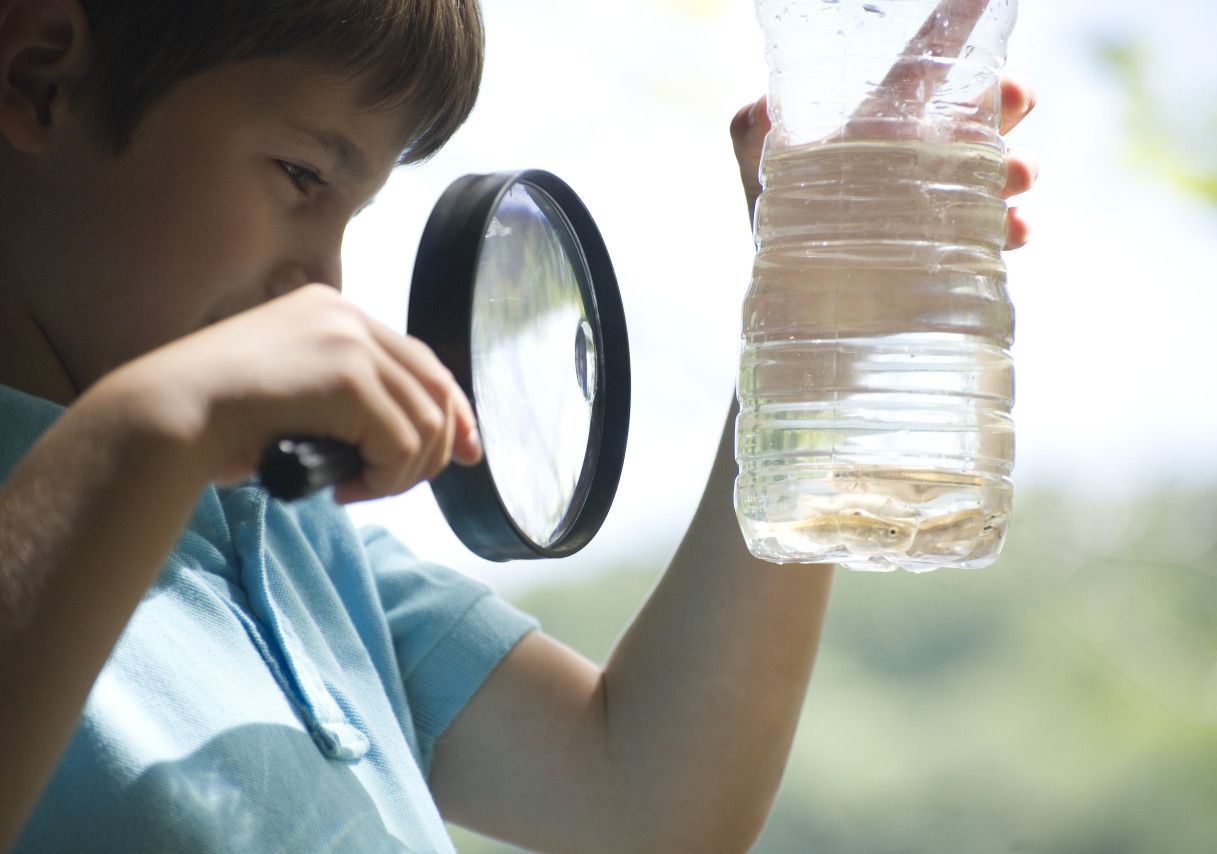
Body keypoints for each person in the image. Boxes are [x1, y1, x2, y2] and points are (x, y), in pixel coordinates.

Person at [0, 0, 1037, 851]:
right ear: (39, 77)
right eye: (300, 176)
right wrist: (155, 425)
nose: (322, 280)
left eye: (349, 213)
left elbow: (649, 795)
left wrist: (810, 332)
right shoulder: (150, 455)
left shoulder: (287, 534)